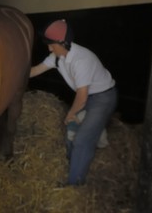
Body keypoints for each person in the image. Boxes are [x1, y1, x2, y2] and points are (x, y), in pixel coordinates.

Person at [30, 19, 117, 185]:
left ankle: (74, 184)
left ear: (64, 43)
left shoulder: (81, 60)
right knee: (71, 131)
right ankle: (77, 159)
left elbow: (82, 97)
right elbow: (34, 71)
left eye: (51, 44)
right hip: (87, 97)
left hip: (103, 98)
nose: (49, 48)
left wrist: (70, 113)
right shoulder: (56, 57)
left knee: (82, 139)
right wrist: (12, 74)